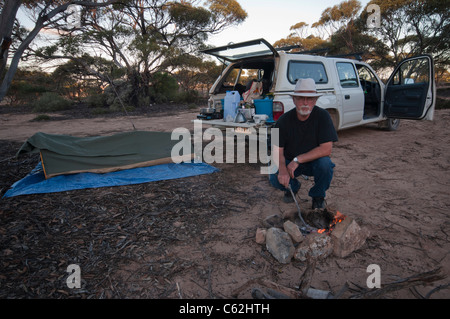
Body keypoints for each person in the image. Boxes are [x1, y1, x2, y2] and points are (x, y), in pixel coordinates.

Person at [269, 78, 338, 209]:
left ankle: (318, 196)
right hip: (289, 161)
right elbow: (277, 149)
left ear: (315, 101)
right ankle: (292, 187)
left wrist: (298, 160)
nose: (305, 103)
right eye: (301, 98)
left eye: (310, 99)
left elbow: (326, 149)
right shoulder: (283, 121)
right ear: (294, 100)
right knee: (273, 175)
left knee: (325, 164)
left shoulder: (323, 116)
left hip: (313, 162)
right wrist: (283, 170)